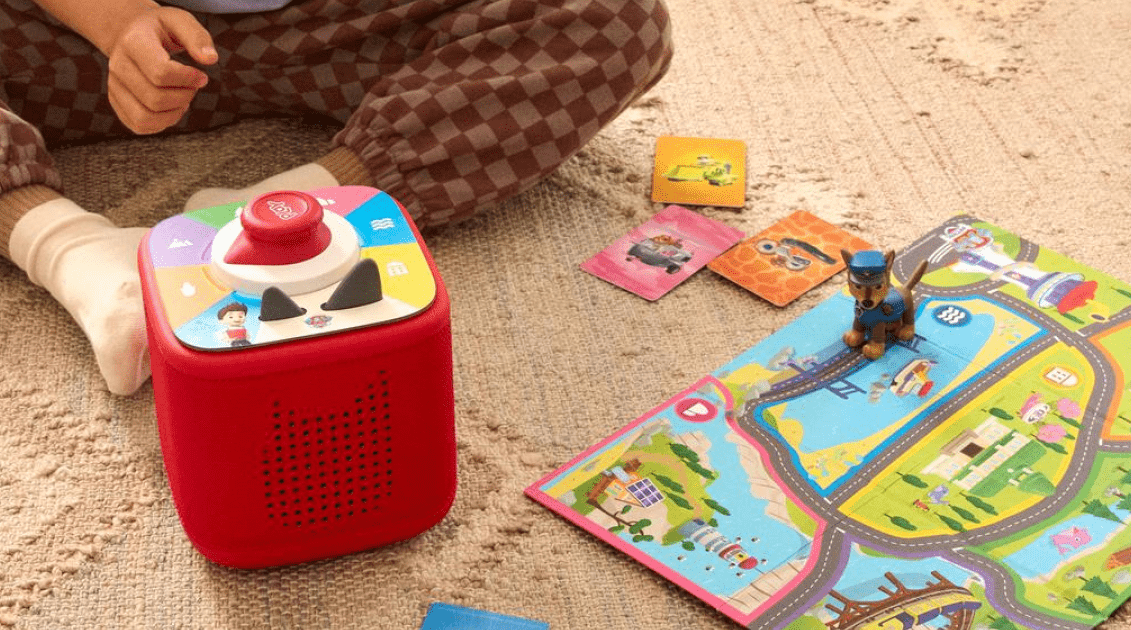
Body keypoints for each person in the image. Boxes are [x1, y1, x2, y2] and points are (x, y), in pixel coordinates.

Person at [0, 0, 673, 394]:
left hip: (343, 33)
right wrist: (120, 24)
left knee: (618, 19)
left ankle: (299, 209)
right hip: (79, 48)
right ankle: (68, 246)